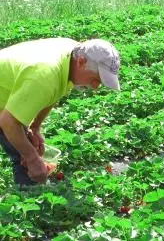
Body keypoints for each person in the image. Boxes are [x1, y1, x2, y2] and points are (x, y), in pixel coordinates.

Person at [0, 38, 121, 186]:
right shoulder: (45, 74)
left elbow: (55, 91)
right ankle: (28, 200)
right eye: (96, 78)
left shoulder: (73, 54)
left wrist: (35, 127)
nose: (96, 86)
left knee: (25, 146)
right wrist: (32, 158)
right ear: (81, 62)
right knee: (24, 156)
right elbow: (7, 122)